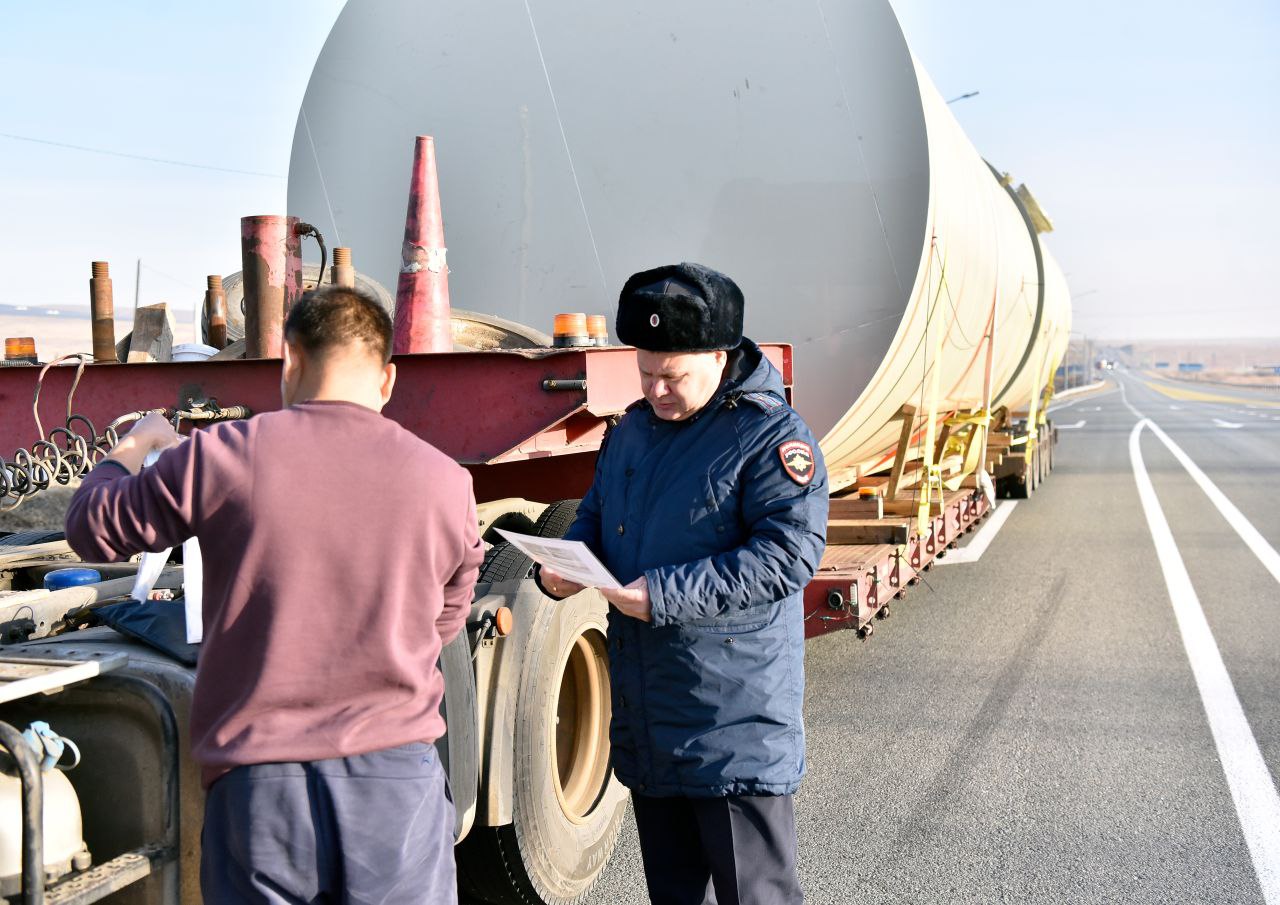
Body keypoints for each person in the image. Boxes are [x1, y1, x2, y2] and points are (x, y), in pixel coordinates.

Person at [65, 286, 483, 904]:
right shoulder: (447, 482)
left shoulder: (220, 457)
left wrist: (137, 445)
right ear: (388, 379)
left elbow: (92, 529)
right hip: (395, 783)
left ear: (289, 361)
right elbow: (448, 615)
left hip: (262, 791)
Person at [538, 263, 829, 905]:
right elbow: (596, 518)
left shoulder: (771, 436)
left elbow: (788, 554)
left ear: (720, 357)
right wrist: (564, 565)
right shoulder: (633, 431)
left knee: (755, 895)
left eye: (673, 375)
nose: (657, 389)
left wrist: (663, 595)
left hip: (734, 721)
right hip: (651, 713)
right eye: (645, 373)